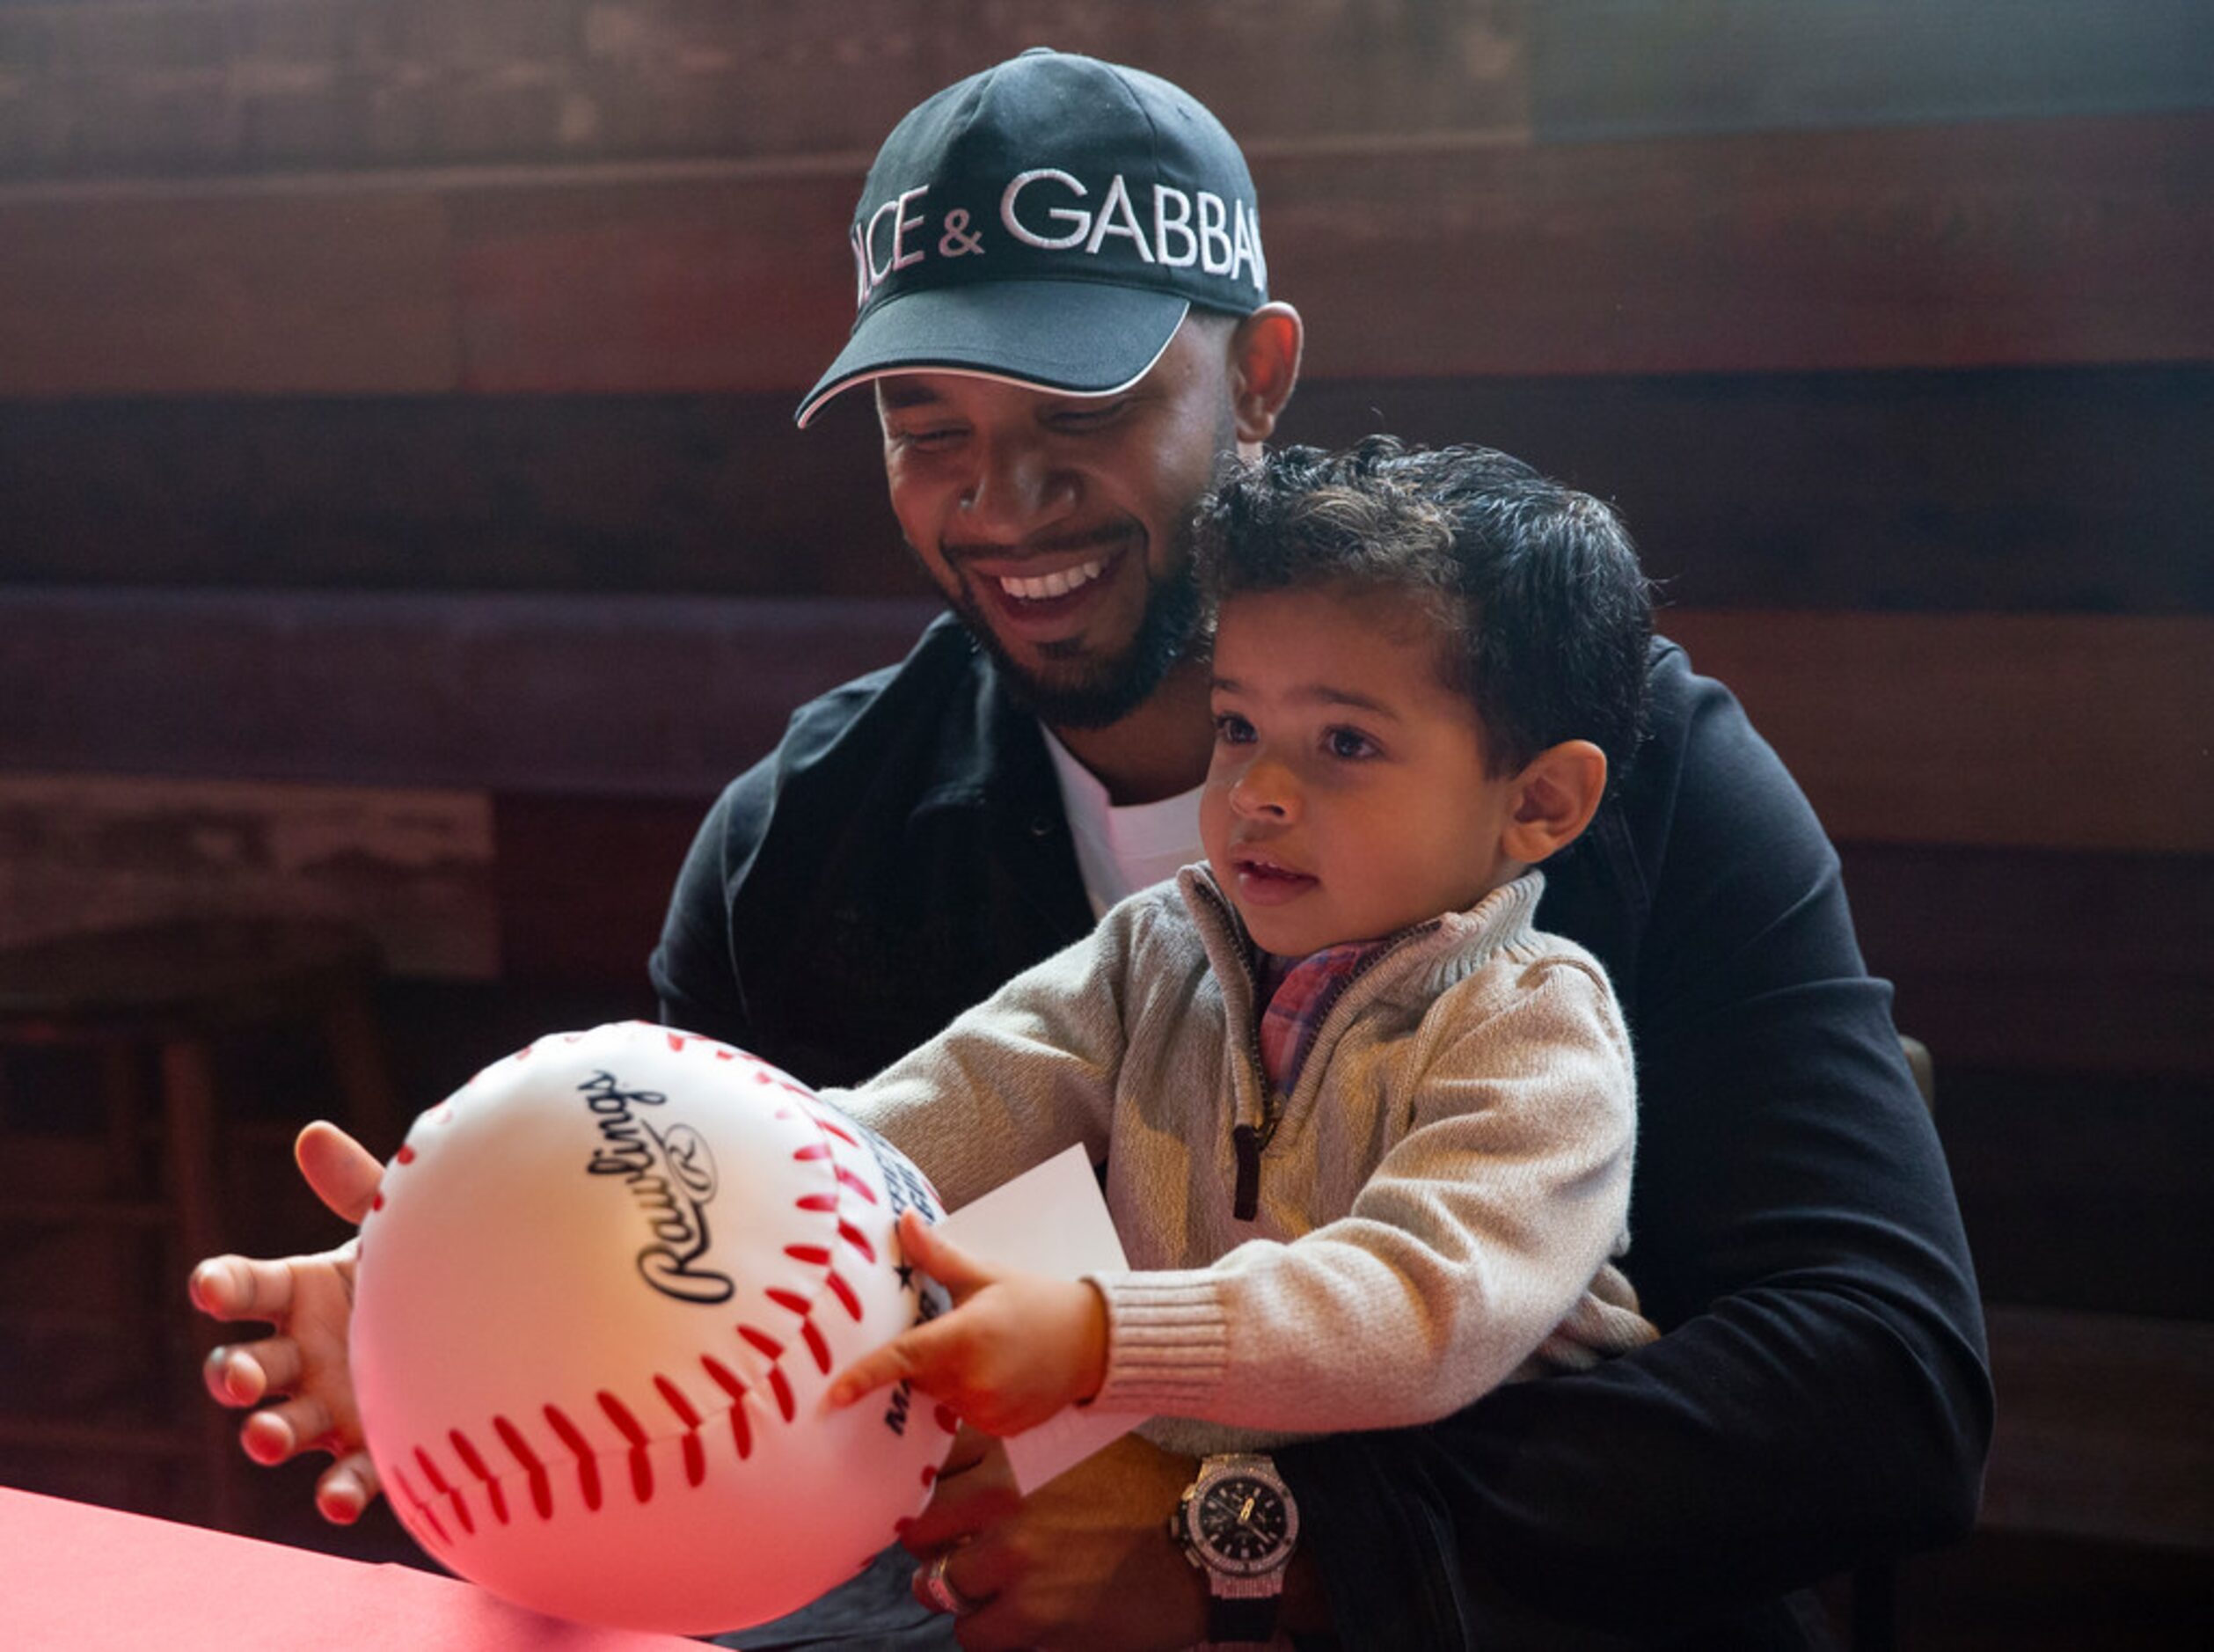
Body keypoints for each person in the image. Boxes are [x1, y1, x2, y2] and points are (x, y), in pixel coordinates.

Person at [192, 47, 1991, 1649]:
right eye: (930, 430)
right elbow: (750, 1265)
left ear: (1259, 375)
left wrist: (1252, 1548)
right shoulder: (803, 845)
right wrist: (478, 1296)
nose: (1002, 499)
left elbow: (1881, 1390)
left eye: (1082, 413)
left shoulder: (1615, 767)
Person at [822, 438, 1661, 1479]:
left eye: (1344, 743)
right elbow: (955, 1103)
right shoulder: (1154, 954)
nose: (1255, 789)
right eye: (1235, 724)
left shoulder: (1531, 1029)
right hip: (1210, 1500)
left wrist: (1103, 1335)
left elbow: (1421, 1306)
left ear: (1539, 803)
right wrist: (773, 1174)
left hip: (1481, 1563)